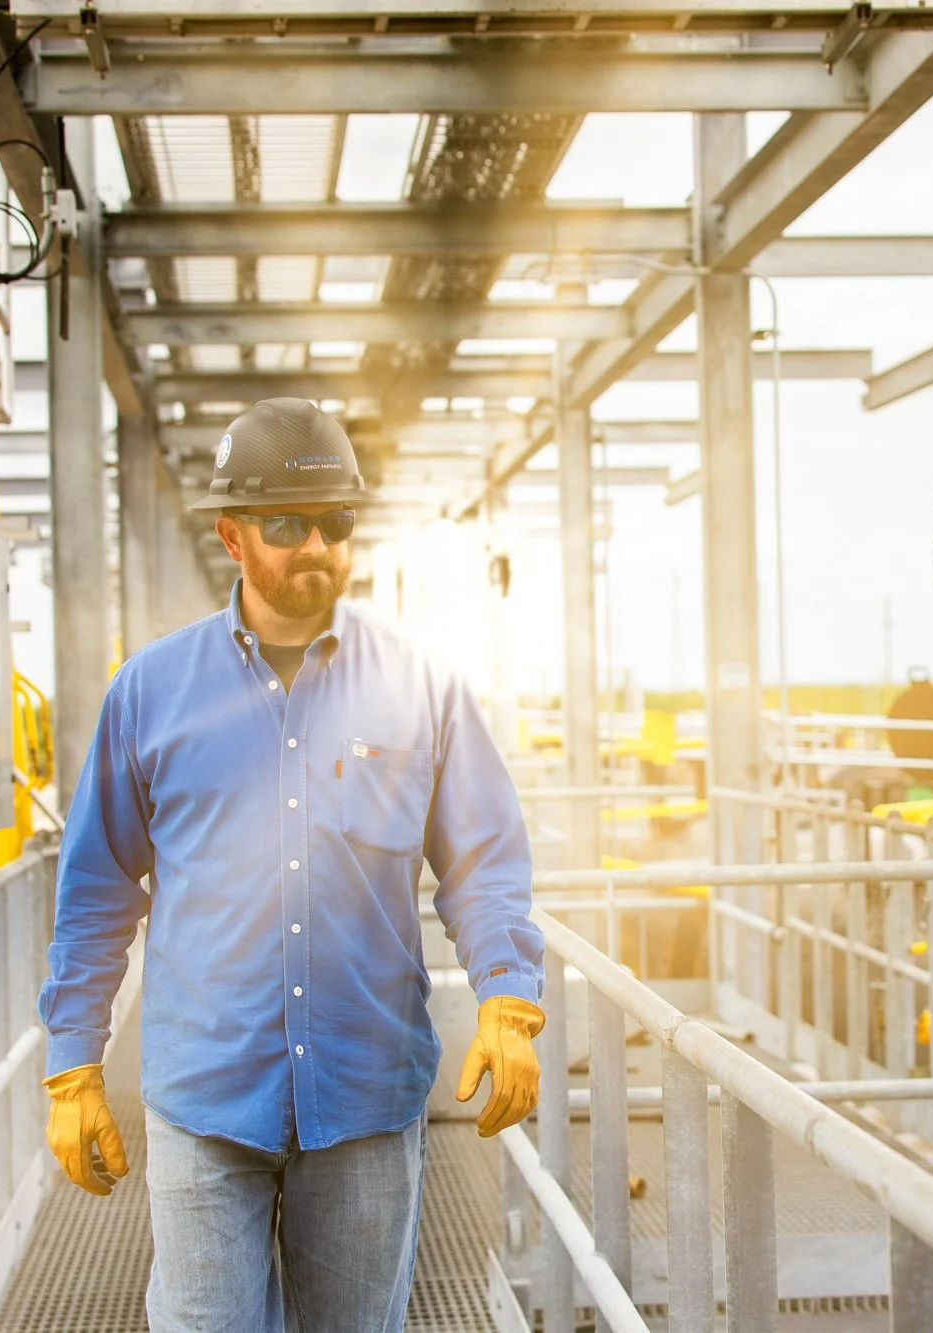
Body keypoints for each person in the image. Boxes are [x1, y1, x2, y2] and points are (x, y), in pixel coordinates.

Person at [37, 398, 546, 1333]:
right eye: (285, 523)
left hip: (364, 1090)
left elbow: (482, 857)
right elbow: (98, 888)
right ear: (232, 535)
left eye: (335, 522)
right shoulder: (150, 692)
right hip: (206, 1099)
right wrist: (73, 1063)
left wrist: (507, 995)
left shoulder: (421, 685)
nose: (315, 544)